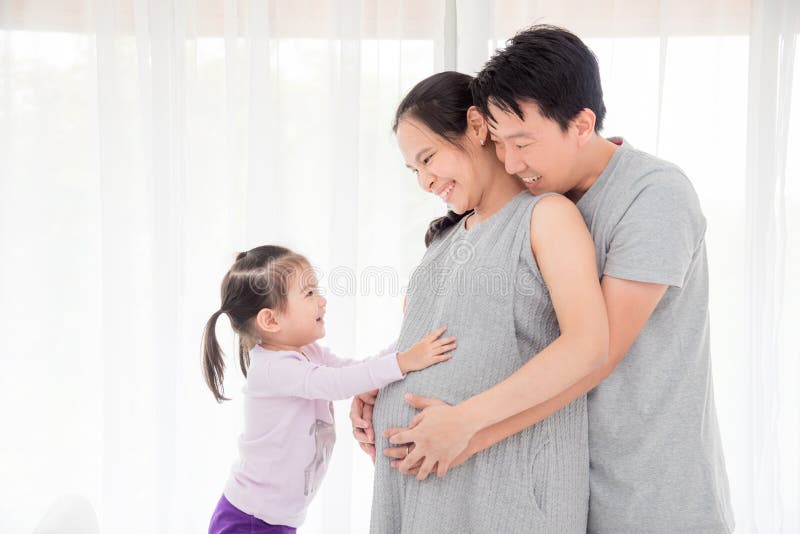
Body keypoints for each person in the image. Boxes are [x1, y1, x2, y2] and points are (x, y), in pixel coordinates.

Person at [356, 25, 734, 534]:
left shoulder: (652, 196)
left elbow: (592, 356)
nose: (511, 162)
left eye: (521, 143)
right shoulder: (530, 205)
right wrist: (390, 373)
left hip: (649, 491)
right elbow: (491, 321)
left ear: (581, 124)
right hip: (564, 482)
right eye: (500, 142)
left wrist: (464, 431)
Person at [367, 71, 609, 533]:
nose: (424, 181)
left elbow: (589, 345)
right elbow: (441, 339)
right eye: (413, 170)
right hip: (421, 493)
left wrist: (463, 422)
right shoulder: (444, 242)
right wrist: (377, 381)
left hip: (506, 491)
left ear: (477, 127)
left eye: (428, 157)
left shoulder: (547, 217)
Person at [201, 245, 455, 533]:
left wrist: (407, 340)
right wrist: (404, 361)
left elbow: (355, 369)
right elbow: (338, 384)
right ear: (270, 320)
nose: (322, 301)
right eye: (309, 293)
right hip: (249, 520)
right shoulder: (273, 369)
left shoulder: (306, 352)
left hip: (278, 519)